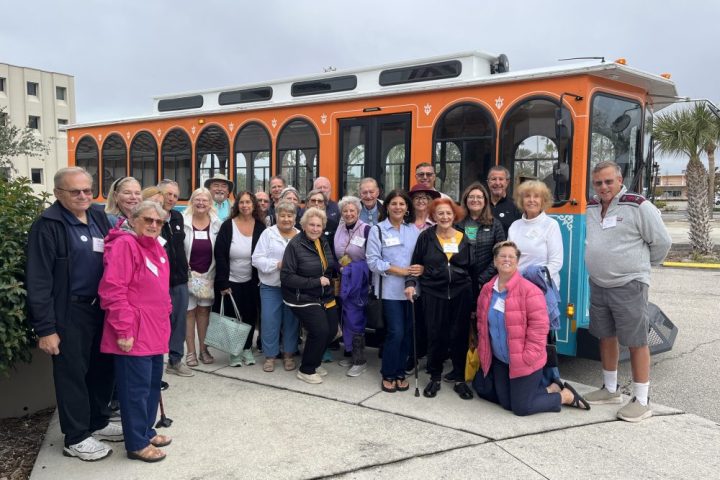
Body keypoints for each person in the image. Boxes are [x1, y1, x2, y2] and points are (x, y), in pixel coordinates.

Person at [26, 167, 119, 461]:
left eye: (87, 190)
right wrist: (45, 329)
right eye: (75, 191)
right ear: (57, 194)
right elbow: (38, 280)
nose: (83, 196)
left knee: (101, 368)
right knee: (72, 375)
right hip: (70, 311)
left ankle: (98, 421)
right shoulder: (47, 225)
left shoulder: (98, 217)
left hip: (100, 309)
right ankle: (76, 437)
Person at [583, 161, 671, 422]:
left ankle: (642, 400)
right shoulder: (591, 207)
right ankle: (610, 389)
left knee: (636, 341)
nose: (603, 187)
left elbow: (662, 242)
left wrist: (640, 267)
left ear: (620, 180)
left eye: (609, 181)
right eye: (598, 182)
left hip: (629, 284)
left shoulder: (638, 205)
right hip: (598, 283)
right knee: (605, 336)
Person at [474, 241, 590, 415]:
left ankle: (565, 396)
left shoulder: (530, 291)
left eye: (511, 256)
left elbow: (539, 330)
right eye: (502, 256)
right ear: (495, 261)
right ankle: (551, 388)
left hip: (524, 359)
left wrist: (527, 357)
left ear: (517, 261)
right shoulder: (486, 290)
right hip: (501, 361)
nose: (507, 259)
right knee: (506, 403)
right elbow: (482, 325)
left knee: (521, 408)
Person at [98, 201, 173, 462]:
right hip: (134, 332)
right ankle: (136, 443)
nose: (154, 225)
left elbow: (161, 288)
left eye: (159, 222)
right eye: (148, 220)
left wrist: (167, 309)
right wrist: (124, 329)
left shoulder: (156, 247)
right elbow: (113, 290)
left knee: (152, 385)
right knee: (135, 390)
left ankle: (145, 430)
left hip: (155, 329)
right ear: (133, 218)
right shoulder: (125, 244)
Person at [407, 198, 474, 400]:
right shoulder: (426, 237)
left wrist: (477, 299)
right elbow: (415, 263)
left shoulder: (464, 238)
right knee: (435, 335)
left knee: (459, 336)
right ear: (433, 217)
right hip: (433, 292)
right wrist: (410, 283)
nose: (444, 217)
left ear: (455, 216)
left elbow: (472, 268)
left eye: (448, 213)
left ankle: (460, 379)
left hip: (461, 293)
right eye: (440, 214)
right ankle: (435, 377)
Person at [366, 190, 422, 392]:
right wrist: (399, 270)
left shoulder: (414, 231)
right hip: (389, 291)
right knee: (395, 332)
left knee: (407, 333)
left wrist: (419, 269)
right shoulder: (377, 230)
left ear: (407, 208)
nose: (398, 207)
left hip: (412, 290)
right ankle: (388, 373)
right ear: (387, 207)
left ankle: (400, 372)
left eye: (402, 204)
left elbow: (420, 258)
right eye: (394, 203)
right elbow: (372, 262)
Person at [280, 207, 339, 384]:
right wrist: (315, 282)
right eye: (311, 225)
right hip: (301, 297)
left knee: (332, 330)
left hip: (323, 295)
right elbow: (286, 277)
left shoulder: (323, 241)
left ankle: (315, 360)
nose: (315, 229)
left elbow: (326, 267)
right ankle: (306, 369)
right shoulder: (295, 245)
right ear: (304, 226)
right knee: (320, 330)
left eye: (318, 225)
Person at [214, 191, 266, 367]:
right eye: (242, 202)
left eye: (248, 202)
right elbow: (220, 254)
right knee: (231, 317)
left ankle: (246, 348)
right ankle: (234, 351)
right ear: (237, 205)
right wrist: (223, 282)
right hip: (230, 280)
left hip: (252, 280)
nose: (245, 205)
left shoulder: (260, 226)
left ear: (254, 205)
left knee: (250, 316)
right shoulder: (228, 226)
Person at [252, 201, 300, 372]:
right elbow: (256, 259)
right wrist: (278, 264)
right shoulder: (268, 234)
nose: (286, 219)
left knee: (291, 322)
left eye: (290, 215)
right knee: (269, 321)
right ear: (276, 216)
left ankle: (288, 354)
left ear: (295, 217)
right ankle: (270, 356)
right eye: (282, 215)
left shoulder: (300, 236)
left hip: (293, 288)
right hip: (270, 285)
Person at [183, 188, 222, 366]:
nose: (201, 203)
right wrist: (188, 270)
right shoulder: (183, 221)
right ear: (192, 201)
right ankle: (190, 352)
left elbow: (220, 252)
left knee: (204, 312)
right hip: (188, 276)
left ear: (210, 203)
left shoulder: (216, 224)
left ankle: (204, 350)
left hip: (208, 276)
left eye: (204, 200)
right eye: (197, 199)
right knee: (189, 313)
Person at [157, 180, 193, 377]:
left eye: (175, 195)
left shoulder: (178, 217)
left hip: (179, 279)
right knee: (158, 322)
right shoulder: (152, 218)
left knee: (179, 321)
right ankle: (153, 361)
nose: (171, 198)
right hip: (158, 282)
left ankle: (175, 360)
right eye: (167, 194)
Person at [334, 196, 372, 377]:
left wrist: (353, 269)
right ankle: (350, 353)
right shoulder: (340, 228)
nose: (349, 214)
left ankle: (360, 360)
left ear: (358, 212)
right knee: (345, 315)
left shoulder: (366, 229)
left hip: (359, 280)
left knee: (356, 316)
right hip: (344, 279)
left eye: (352, 211)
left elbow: (371, 257)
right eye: (345, 211)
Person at [508, 180, 563, 288]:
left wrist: (535, 280)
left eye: (536, 196)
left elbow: (556, 262)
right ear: (521, 200)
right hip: (517, 285)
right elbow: (509, 257)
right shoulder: (515, 225)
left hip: (543, 286)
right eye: (527, 196)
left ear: (543, 201)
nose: (531, 200)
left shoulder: (551, 225)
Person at [457, 182, 506, 300]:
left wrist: (482, 279)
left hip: (485, 282)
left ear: (485, 201)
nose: (475, 200)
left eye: (479, 197)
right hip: (459, 282)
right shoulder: (456, 223)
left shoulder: (495, 224)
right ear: (465, 200)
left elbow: (501, 254)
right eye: (471, 197)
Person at [487, 166, 521, 235]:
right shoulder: (481, 205)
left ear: (507, 182)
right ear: (488, 182)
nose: (497, 183)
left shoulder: (516, 206)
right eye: (493, 179)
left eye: (501, 179)